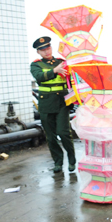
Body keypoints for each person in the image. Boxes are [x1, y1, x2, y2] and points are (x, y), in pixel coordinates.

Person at [30, 36, 76, 173]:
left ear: (51, 47)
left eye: (48, 48)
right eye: (42, 49)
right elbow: (38, 77)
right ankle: (58, 162)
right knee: (50, 136)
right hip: (45, 103)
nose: (46, 51)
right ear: (38, 52)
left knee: (64, 132)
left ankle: (72, 160)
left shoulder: (62, 62)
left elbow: (72, 80)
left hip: (62, 101)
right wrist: (54, 71)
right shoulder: (36, 65)